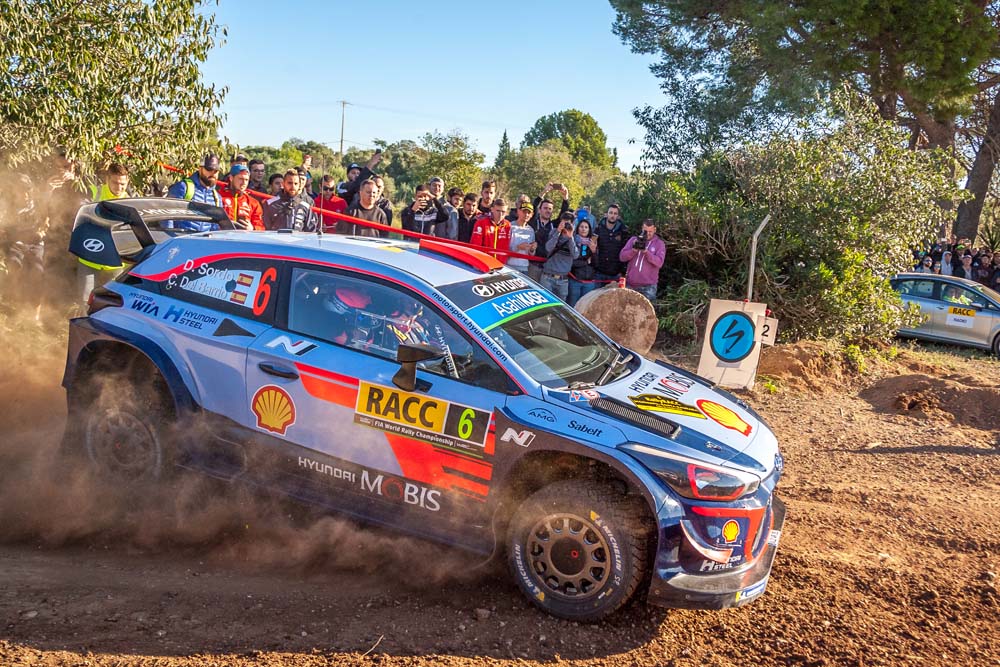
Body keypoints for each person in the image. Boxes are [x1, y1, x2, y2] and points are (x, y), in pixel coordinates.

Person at [164, 153, 222, 231]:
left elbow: (215, 228)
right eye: (209, 169)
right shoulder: (183, 187)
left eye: (216, 171)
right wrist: (170, 236)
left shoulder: (217, 198)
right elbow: (167, 217)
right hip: (182, 237)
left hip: (205, 238)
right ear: (200, 168)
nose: (212, 173)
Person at [620, 219, 666, 301]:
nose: (647, 234)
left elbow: (659, 263)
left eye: (650, 231)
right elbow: (622, 257)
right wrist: (633, 250)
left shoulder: (659, 244)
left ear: (655, 230)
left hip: (648, 287)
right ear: (642, 228)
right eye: (645, 231)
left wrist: (646, 252)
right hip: (631, 284)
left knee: (646, 309)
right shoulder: (633, 240)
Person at [540, 212, 579, 301]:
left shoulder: (575, 237)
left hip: (563, 279)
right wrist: (558, 232)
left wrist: (570, 238)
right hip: (548, 276)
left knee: (560, 305)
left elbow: (575, 255)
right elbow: (548, 248)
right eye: (564, 223)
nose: (565, 226)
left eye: (568, 223)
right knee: (545, 303)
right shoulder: (554, 232)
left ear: (573, 224)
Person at [219, 164, 264, 230]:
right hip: (222, 235)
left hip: (244, 236)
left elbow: (260, 227)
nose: (244, 183)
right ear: (231, 178)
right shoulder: (218, 197)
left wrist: (253, 228)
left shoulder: (253, 203)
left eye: (246, 180)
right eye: (240, 179)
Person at [594, 204, 626, 284]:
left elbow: (625, 252)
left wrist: (623, 271)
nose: (613, 215)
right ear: (606, 214)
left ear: (618, 216)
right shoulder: (598, 229)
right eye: (611, 213)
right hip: (599, 272)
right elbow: (592, 248)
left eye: (615, 213)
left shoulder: (623, 231)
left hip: (616, 273)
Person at [568, 219, 597, 306]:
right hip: (575, 280)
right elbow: (572, 262)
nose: (583, 229)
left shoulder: (593, 243)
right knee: (572, 305)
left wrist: (594, 252)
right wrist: (586, 262)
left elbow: (596, 264)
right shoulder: (573, 241)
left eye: (586, 227)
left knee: (585, 307)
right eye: (581, 227)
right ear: (578, 228)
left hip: (589, 282)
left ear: (589, 229)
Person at [507, 201, 537, 275]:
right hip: (510, 267)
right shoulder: (509, 226)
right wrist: (518, 247)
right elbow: (503, 249)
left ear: (532, 215)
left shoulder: (531, 230)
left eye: (529, 213)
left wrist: (532, 249)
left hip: (524, 267)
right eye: (524, 212)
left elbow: (531, 254)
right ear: (518, 212)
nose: (526, 215)